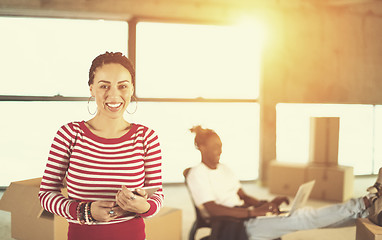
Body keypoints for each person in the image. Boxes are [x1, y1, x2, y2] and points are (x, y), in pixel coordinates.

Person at [38, 52, 164, 240]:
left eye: (122, 86)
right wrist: (84, 211)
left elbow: (157, 195)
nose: (114, 95)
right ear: (91, 89)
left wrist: (144, 207)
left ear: (131, 90)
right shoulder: (69, 135)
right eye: (104, 86)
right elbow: (46, 194)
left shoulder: (147, 138)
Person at [186, 125, 382, 240]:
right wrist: (253, 213)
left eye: (221, 147)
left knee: (306, 215)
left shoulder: (225, 168)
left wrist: (266, 204)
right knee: (305, 219)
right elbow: (213, 209)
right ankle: (365, 203)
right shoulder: (197, 174)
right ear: (201, 147)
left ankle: (367, 211)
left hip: (249, 216)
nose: (220, 151)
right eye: (215, 147)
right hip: (236, 226)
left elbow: (243, 196)